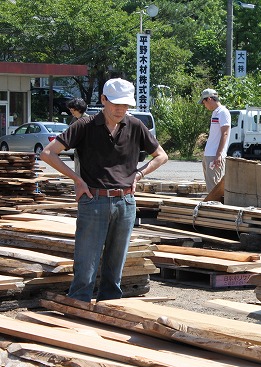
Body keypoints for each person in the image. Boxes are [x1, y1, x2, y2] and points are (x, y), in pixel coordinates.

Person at [40, 78, 168, 302]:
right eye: (116, 104)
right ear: (103, 100)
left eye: (126, 105)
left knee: (116, 262)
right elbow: (48, 153)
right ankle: (78, 307)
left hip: (126, 202)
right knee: (86, 261)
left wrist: (139, 174)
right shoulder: (85, 125)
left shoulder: (135, 126)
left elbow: (162, 156)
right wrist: (77, 180)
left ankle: (110, 307)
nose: (121, 109)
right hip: (93, 200)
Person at [199, 88, 231, 192]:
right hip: (209, 154)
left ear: (209, 99)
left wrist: (219, 154)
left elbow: (225, 133)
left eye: (204, 103)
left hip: (215, 154)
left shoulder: (223, 112)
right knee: (210, 184)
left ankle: (215, 206)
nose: (205, 106)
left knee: (214, 184)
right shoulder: (215, 112)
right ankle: (212, 204)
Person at [66, 97, 89, 173]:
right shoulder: (74, 119)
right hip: (78, 151)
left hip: (87, 152)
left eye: (72, 109)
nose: (70, 110)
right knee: (78, 172)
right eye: (70, 109)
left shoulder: (88, 119)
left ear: (79, 109)